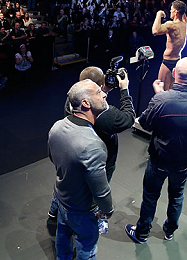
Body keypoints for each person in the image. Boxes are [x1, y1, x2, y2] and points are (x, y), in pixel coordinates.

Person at [125, 57, 187, 243]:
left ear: (173, 74)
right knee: (177, 196)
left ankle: (142, 233)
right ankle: (169, 231)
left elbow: (145, 124)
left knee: (150, 196)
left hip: (159, 160)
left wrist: (160, 95)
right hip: (183, 162)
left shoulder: (161, 99)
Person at [48, 66, 134, 219]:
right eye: (99, 93)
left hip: (71, 159)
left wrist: (102, 89)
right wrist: (124, 90)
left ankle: (55, 209)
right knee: (94, 192)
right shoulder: (108, 117)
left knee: (65, 183)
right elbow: (128, 118)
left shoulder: (73, 99)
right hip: (99, 161)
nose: (104, 96)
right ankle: (91, 212)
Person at [47, 79, 113, 260]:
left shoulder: (56, 127)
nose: (104, 94)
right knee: (87, 246)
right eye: (99, 92)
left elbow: (53, 159)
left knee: (63, 237)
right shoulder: (93, 145)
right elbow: (101, 190)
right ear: (85, 103)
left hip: (62, 199)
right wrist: (108, 210)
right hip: (82, 210)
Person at [151, 0, 187, 91]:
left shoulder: (171, 25)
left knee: (160, 88)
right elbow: (184, 18)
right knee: (171, 89)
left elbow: (155, 31)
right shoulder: (185, 25)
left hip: (168, 61)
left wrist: (159, 14)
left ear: (176, 12)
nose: (170, 11)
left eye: (172, 10)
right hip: (177, 60)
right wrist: (182, 10)